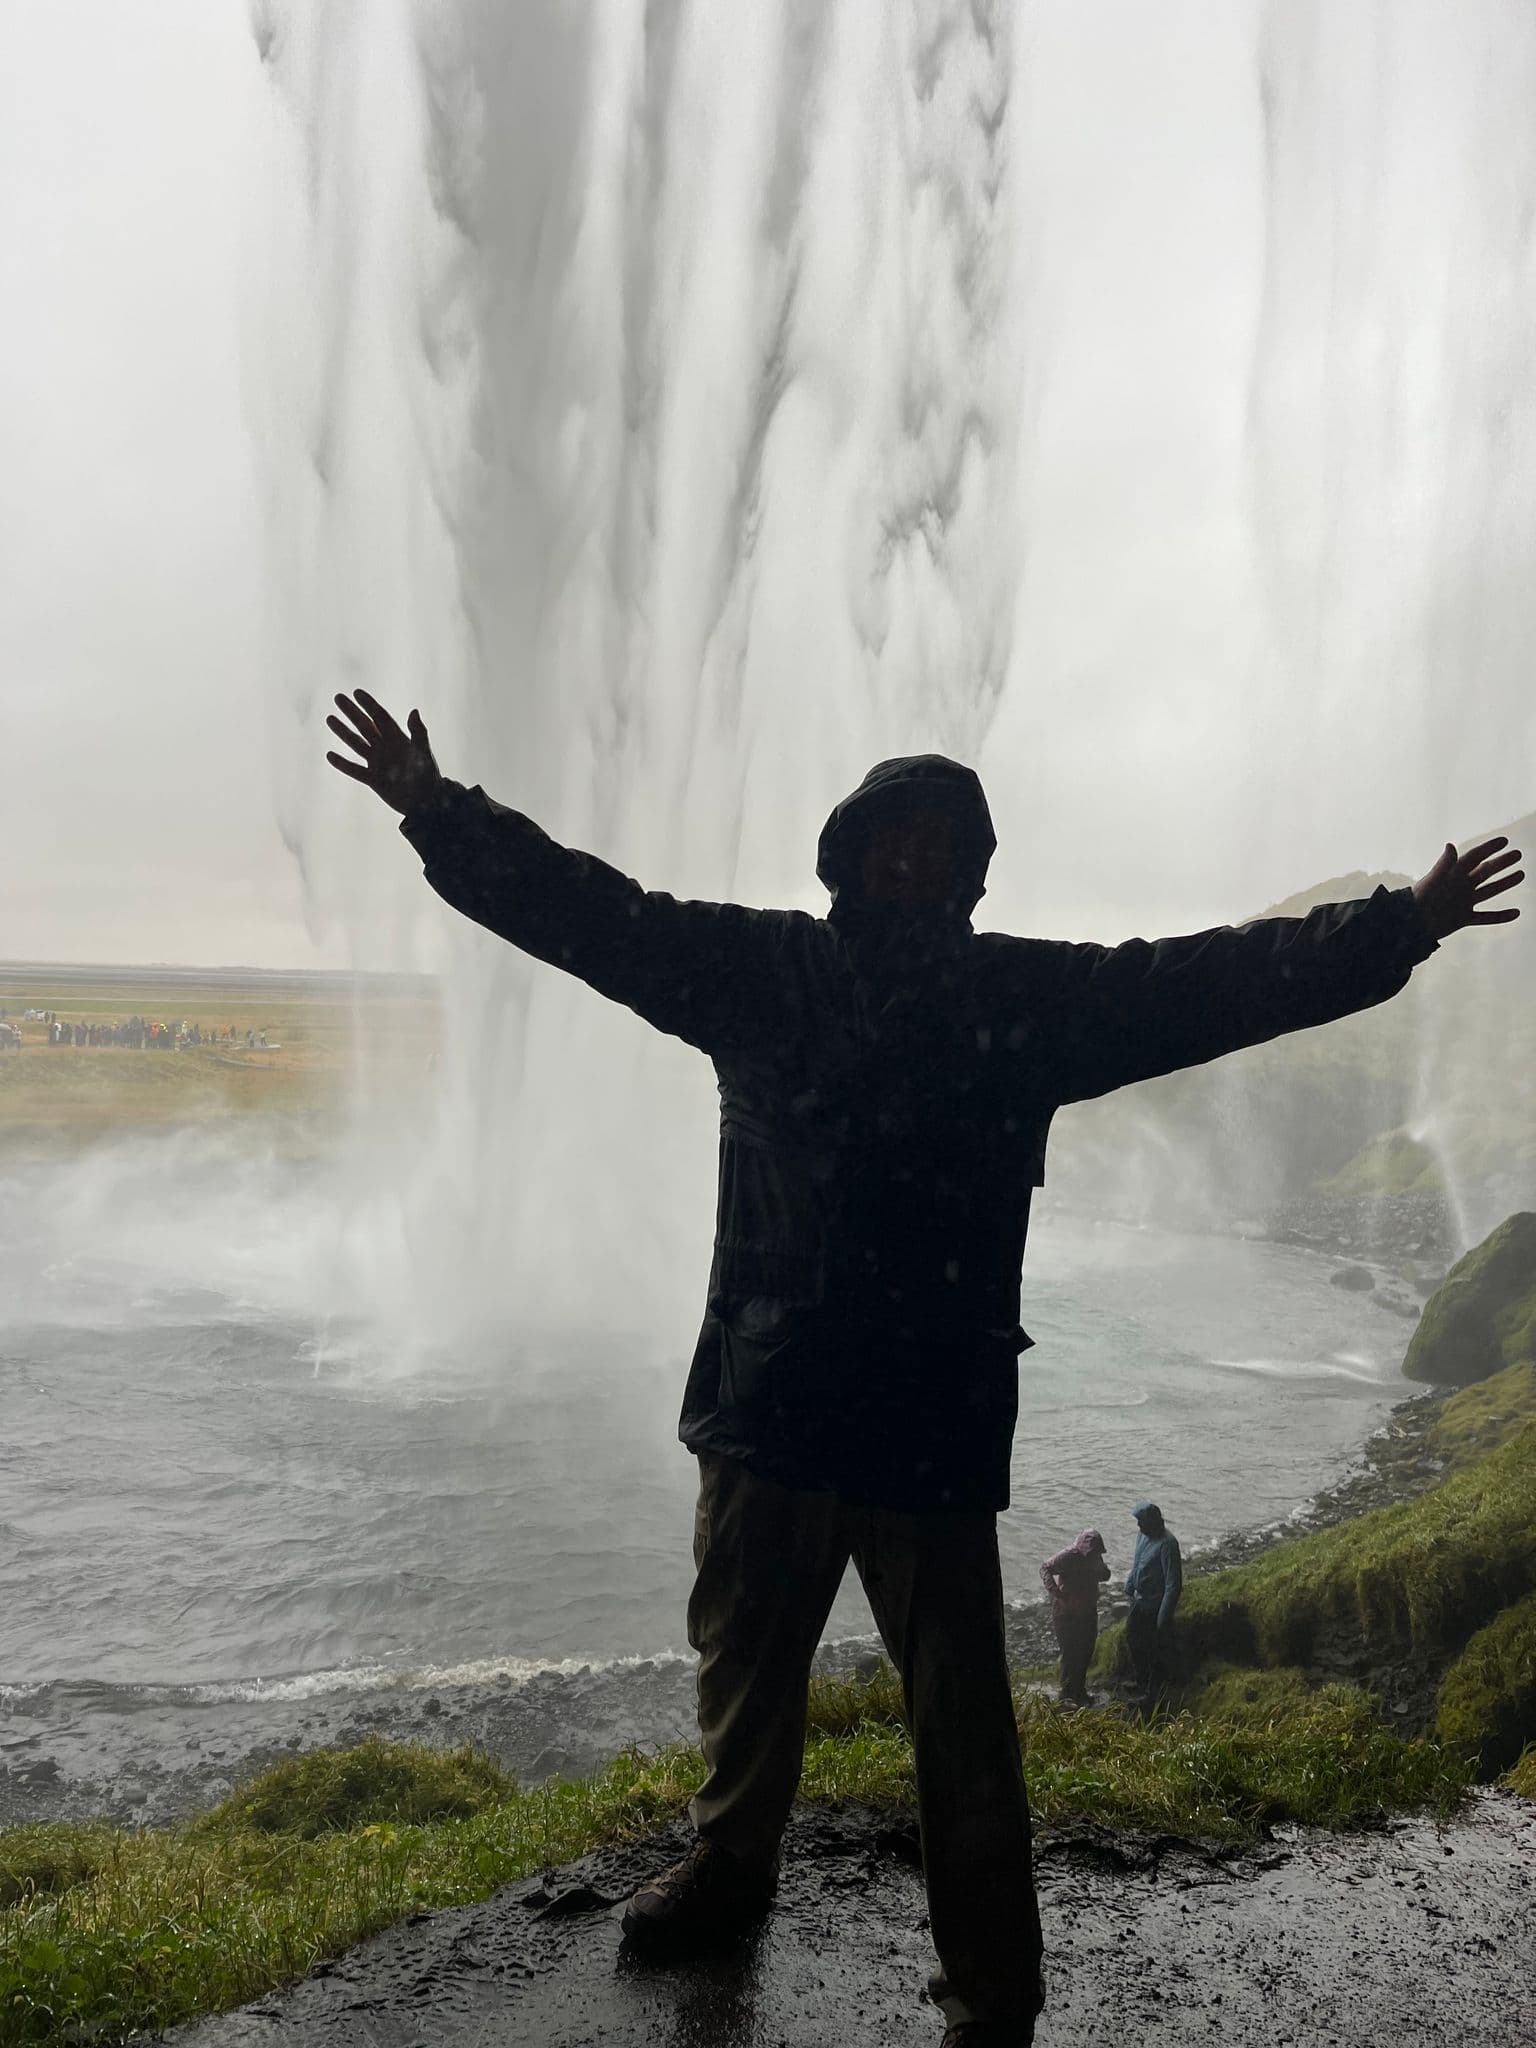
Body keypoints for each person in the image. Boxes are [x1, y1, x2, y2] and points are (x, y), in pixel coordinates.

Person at [326, 686, 1521, 2048]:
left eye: (945, 847)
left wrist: (1399, 923)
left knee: (963, 1727)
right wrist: (438, 809)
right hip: (771, 1406)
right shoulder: (760, 970)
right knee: (743, 1669)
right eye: (894, 840)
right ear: (845, 860)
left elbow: (1210, 981)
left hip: (926, 1428)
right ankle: (731, 1867)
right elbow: (599, 917)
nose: (917, 861)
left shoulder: (1027, 997)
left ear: (968, 878)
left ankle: (992, 1989)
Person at [1039, 1531, 1110, 1707]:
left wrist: (1100, 1568)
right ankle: (1067, 1695)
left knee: (1086, 1651)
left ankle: (1079, 1691)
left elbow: (1106, 1575)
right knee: (1070, 1654)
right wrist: (1055, 1592)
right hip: (1066, 1613)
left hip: (1087, 1611)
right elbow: (1045, 1568)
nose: (1092, 1555)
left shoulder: (1095, 1558)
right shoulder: (1068, 1556)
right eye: (1091, 1552)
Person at [1124, 1502, 1182, 1708]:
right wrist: (1130, 1584)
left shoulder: (1168, 1544)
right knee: (1132, 1638)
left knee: (1152, 1649)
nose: (1139, 1526)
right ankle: (1141, 1680)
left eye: (1142, 1522)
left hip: (1155, 1605)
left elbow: (1173, 1584)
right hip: (1140, 1601)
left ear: (1153, 1522)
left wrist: (1163, 1616)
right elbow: (1137, 1562)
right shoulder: (1143, 1536)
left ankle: (1152, 1694)